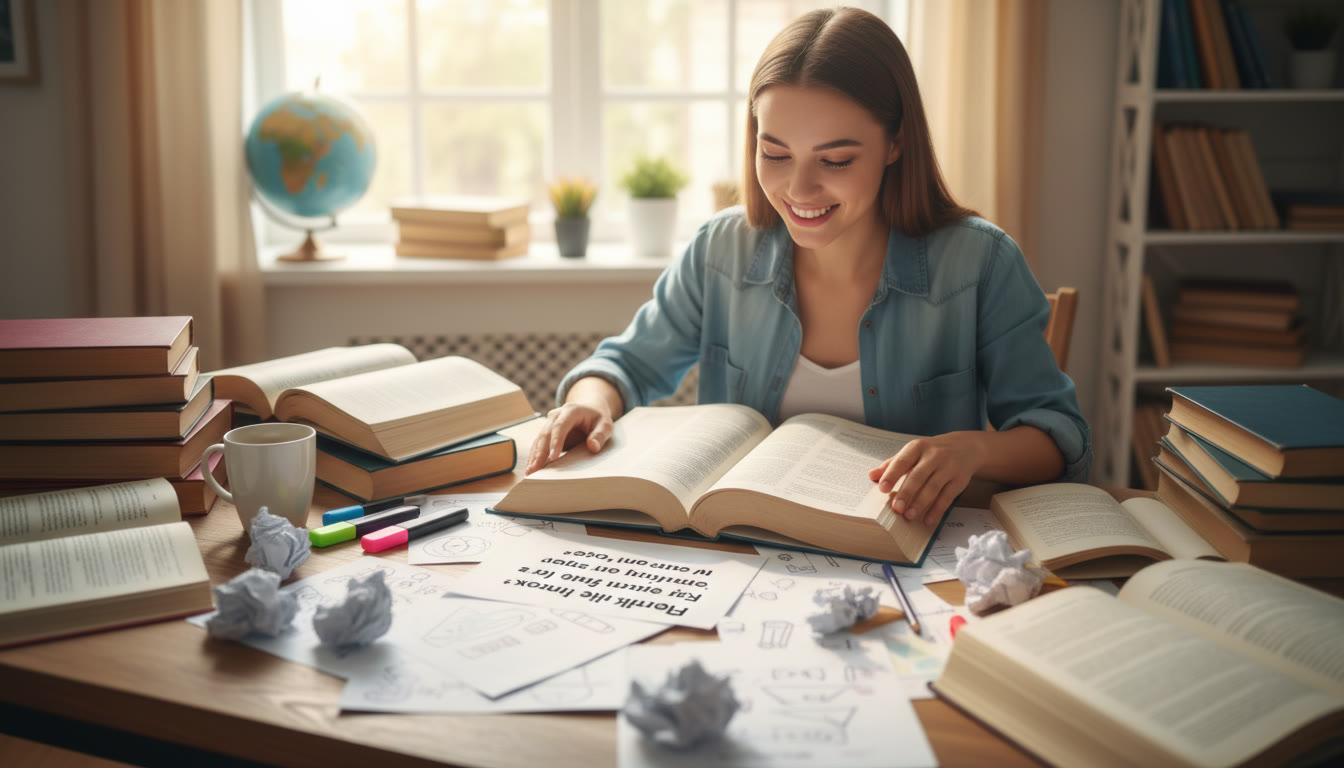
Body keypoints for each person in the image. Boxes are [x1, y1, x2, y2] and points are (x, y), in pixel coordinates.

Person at [526, 6, 1091, 528]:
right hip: (743, 554)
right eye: (774, 154)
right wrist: (587, 406)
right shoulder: (721, 249)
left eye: (836, 159)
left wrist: (973, 449)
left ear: (895, 143)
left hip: (905, 565)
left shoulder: (979, 262)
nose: (798, 189)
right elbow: (625, 364)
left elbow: (1059, 436)